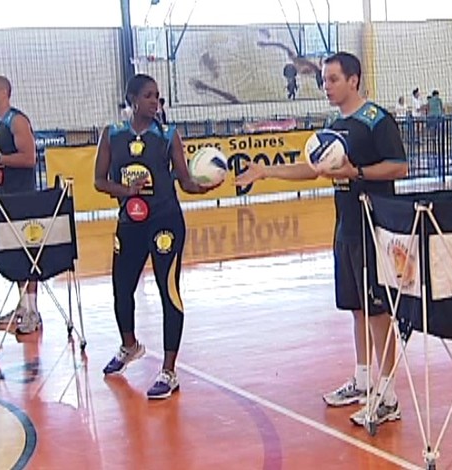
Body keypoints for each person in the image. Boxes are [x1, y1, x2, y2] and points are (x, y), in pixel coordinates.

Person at [235, 52, 408, 427]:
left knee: (378, 309)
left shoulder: (376, 121)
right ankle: (363, 381)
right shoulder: (333, 126)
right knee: (356, 306)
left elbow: (400, 165)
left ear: (354, 80)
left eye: (332, 79)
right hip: (345, 223)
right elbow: (312, 170)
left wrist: (356, 170)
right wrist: (265, 171)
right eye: (324, 80)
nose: (326, 86)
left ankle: (389, 395)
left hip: (373, 224)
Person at [95, 73, 216, 400]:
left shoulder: (168, 136)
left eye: (158, 96)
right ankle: (129, 345)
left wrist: (205, 185)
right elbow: (99, 182)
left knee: (168, 291)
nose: (155, 102)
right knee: (122, 288)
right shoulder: (112, 135)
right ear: (132, 99)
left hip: (164, 220)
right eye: (149, 96)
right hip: (130, 221)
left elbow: (186, 182)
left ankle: (169, 370)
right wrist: (125, 190)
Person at [0, 75, 41, 335]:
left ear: (4, 92)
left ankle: (32, 310)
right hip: (4, 197)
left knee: (27, 252)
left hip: (22, 197)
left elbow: (29, 158)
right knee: (13, 252)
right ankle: (22, 306)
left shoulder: (17, 120)